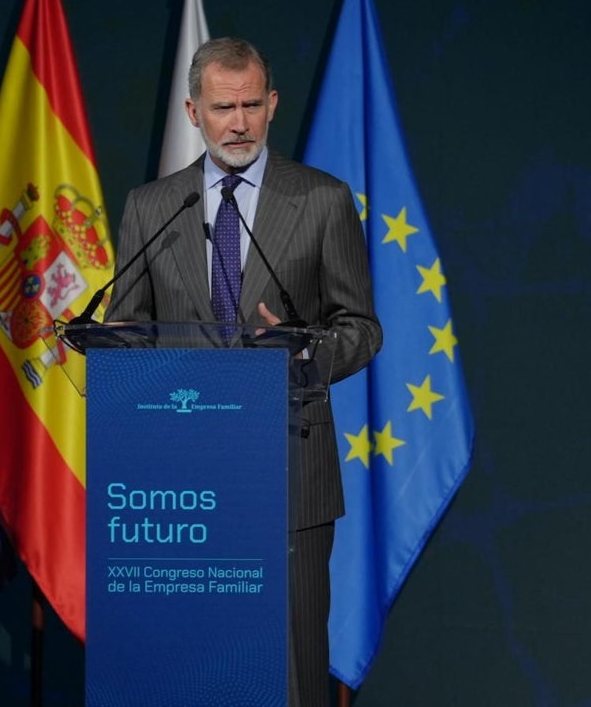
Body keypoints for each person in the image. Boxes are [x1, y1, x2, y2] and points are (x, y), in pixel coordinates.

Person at [105, 37, 382, 706]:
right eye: (223, 106)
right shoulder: (153, 206)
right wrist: (108, 351)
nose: (239, 122)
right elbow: (126, 328)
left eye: (252, 105)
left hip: (288, 471)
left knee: (289, 678)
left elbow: (362, 328)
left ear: (272, 105)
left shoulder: (321, 200)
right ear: (193, 110)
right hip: (180, 488)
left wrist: (304, 351)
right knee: (187, 676)